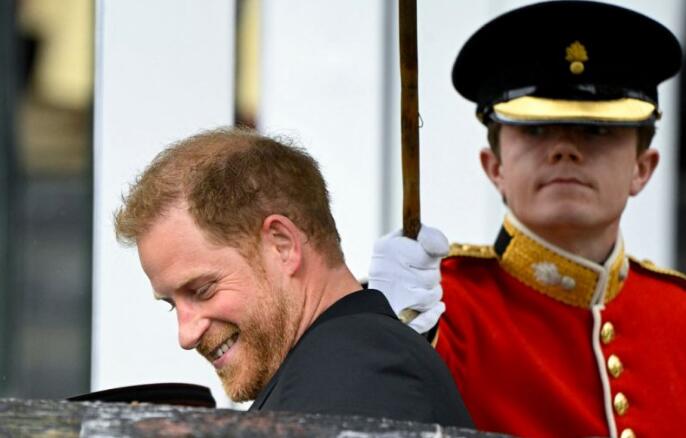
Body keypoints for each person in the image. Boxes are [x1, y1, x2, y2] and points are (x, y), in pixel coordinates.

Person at [369, 1, 685, 437]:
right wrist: (375, 331)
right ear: (493, 167)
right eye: (536, 130)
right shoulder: (437, 311)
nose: (564, 150)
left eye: (596, 131)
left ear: (642, 168)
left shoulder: (678, 312)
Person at [113, 127, 472, 426]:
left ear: (282, 245)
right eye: (172, 305)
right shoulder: (335, 368)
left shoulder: (358, 376)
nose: (186, 335)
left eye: (203, 289)